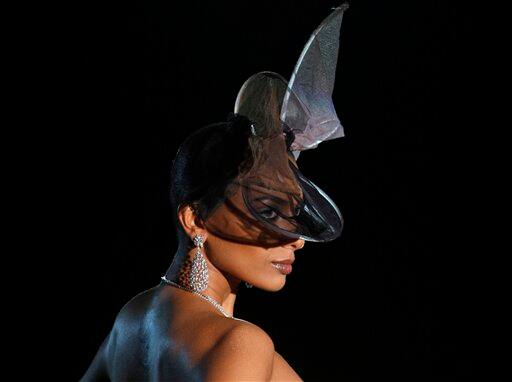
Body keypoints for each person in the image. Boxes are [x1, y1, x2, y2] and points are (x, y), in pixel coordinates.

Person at [81, 4, 349, 381]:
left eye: (293, 214)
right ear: (195, 219)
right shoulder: (240, 342)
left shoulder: (133, 319)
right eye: (267, 212)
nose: (296, 240)